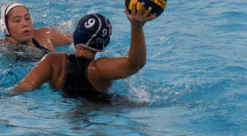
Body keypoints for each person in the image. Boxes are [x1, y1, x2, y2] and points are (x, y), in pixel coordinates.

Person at [12, 6, 158, 102]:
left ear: (76, 35)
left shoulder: (53, 61)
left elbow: (23, 87)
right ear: (103, 45)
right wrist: (137, 26)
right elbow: (135, 64)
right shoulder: (100, 69)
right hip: (99, 111)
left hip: (62, 111)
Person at [0, 2, 72, 54]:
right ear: (4, 27)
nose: (25, 24)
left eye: (27, 18)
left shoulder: (45, 35)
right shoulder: (0, 48)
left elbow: (75, 38)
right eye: (17, 20)